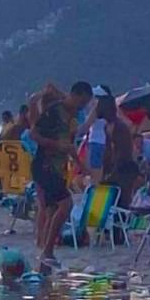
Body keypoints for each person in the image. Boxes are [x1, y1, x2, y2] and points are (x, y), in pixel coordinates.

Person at [32, 80, 93, 271]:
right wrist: (55, 145)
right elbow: (34, 133)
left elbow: (70, 145)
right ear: (75, 95)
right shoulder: (55, 110)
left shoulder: (74, 116)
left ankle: (43, 262)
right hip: (44, 165)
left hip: (58, 169)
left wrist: (81, 165)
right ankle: (47, 251)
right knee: (66, 203)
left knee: (51, 211)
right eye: (82, 102)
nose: (82, 107)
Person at [98, 93, 141, 207]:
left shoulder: (120, 127)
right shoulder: (107, 126)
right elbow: (108, 152)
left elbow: (123, 153)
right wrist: (105, 172)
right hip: (115, 169)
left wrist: (112, 174)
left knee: (121, 203)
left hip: (125, 169)